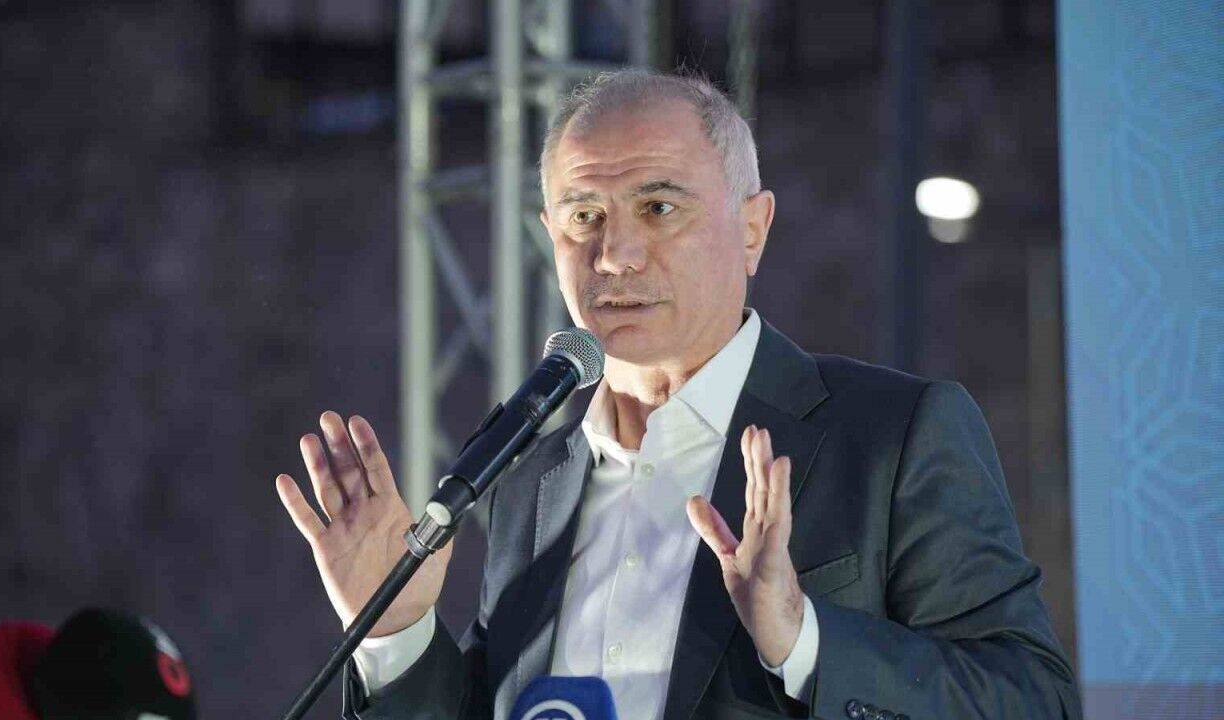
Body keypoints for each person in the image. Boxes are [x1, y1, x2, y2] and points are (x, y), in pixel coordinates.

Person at [275, 69, 1081, 720]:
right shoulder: (531, 480)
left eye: (658, 207)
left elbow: (1031, 701)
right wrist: (396, 630)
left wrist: (804, 641)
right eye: (583, 216)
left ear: (753, 229)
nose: (615, 254)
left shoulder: (891, 436)